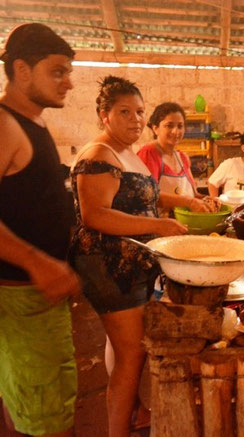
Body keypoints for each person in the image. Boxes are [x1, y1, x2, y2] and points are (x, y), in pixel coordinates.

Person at [69, 76, 189, 437]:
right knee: (131, 355)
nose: (135, 119)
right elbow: (95, 215)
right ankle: (119, 429)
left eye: (139, 111)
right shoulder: (97, 155)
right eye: (124, 112)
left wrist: (178, 207)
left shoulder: (125, 152)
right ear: (104, 115)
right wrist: (159, 227)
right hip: (109, 267)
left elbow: (141, 197)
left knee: (122, 347)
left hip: (130, 264)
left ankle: (133, 414)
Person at [0, 23, 80, 437]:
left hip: (34, 293)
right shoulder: (4, 124)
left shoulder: (32, 121)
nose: (69, 81)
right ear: (22, 70)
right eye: (57, 71)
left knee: (31, 399)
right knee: (47, 414)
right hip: (21, 295)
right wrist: (38, 263)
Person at [138, 102, 209, 215]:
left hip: (183, 224)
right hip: (159, 226)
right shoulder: (148, 154)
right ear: (155, 128)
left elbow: (194, 194)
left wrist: (208, 200)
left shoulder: (183, 158)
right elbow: (148, 196)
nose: (176, 131)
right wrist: (189, 202)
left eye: (180, 126)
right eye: (169, 125)